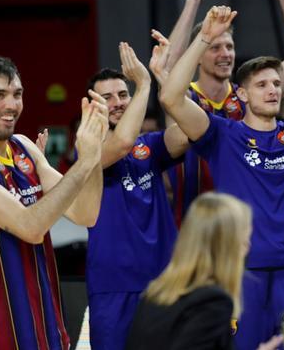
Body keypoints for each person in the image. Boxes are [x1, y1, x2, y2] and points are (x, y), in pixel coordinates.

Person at [152, 5, 284, 350]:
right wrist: (205, 36)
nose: (273, 90)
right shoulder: (221, 135)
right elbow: (171, 97)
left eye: (278, 84)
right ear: (243, 94)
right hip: (240, 272)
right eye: (262, 84)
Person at [164, 0, 284, 225]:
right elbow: (166, 68)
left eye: (230, 46)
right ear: (198, 56)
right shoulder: (186, 96)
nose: (225, 54)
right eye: (215, 47)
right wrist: (193, 0)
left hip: (246, 222)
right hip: (195, 221)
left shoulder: (250, 92)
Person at [0, 55, 108, 349]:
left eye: (17, 94)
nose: (12, 105)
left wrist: (95, 152)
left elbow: (87, 213)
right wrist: (83, 164)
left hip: (44, 323)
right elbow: (31, 227)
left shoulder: (23, 147)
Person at [85, 42, 190, 349]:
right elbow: (120, 144)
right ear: (91, 106)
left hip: (162, 281)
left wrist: (161, 76)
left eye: (123, 94)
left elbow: (184, 134)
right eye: (107, 97)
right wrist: (141, 84)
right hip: (113, 286)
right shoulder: (88, 150)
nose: (117, 102)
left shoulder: (148, 146)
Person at [125, 192, 282, 350]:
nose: (248, 248)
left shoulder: (157, 292)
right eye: (243, 241)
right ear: (223, 248)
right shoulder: (211, 302)